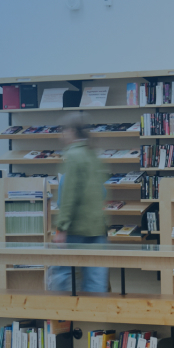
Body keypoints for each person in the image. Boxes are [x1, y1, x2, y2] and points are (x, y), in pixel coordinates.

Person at [47, 114, 110, 294]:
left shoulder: (73, 155)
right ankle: (95, 316)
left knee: (62, 271)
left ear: (71, 131)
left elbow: (68, 195)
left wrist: (62, 227)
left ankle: (61, 314)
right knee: (96, 275)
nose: (61, 136)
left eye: (63, 131)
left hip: (76, 227)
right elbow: (103, 191)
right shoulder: (93, 154)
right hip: (97, 227)